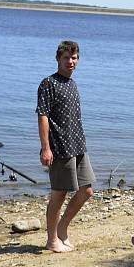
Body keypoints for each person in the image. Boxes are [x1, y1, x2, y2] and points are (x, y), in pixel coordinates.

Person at [36, 40, 95, 253]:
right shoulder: (48, 83)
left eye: (74, 57)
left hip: (78, 145)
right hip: (59, 147)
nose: (71, 62)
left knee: (86, 191)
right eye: (66, 58)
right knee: (59, 194)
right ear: (58, 59)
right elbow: (42, 115)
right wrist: (46, 148)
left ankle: (62, 229)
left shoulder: (72, 84)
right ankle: (52, 240)